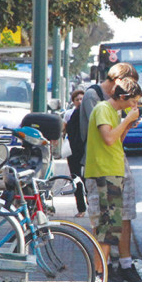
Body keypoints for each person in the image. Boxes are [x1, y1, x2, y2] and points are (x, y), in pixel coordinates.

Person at [81, 63, 142, 282]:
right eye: (133, 101)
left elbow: (115, 141)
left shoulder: (113, 111)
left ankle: (107, 272)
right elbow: (108, 138)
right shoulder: (102, 108)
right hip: (103, 172)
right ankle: (102, 273)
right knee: (105, 228)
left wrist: (127, 126)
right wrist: (127, 121)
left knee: (111, 227)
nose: (134, 106)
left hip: (113, 171)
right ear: (124, 96)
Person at [63, 89, 86, 217]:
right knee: (76, 178)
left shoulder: (88, 113)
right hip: (72, 150)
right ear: (73, 102)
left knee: (88, 179)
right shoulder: (69, 114)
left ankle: (91, 204)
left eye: (81, 99)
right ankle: (81, 208)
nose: (79, 101)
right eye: (77, 99)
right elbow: (64, 130)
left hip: (85, 150)